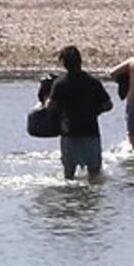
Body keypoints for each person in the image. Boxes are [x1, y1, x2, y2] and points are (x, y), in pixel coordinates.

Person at [38, 46, 112, 181]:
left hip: (69, 133)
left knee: (69, 176)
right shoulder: (93, 82)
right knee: (95, 175)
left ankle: (69, 199)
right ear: (80, 61)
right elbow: (108, 105)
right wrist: (94, 112)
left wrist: (44, 97)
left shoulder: (60, 83)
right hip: (91, 132)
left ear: (64, 63)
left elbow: (50, 107)